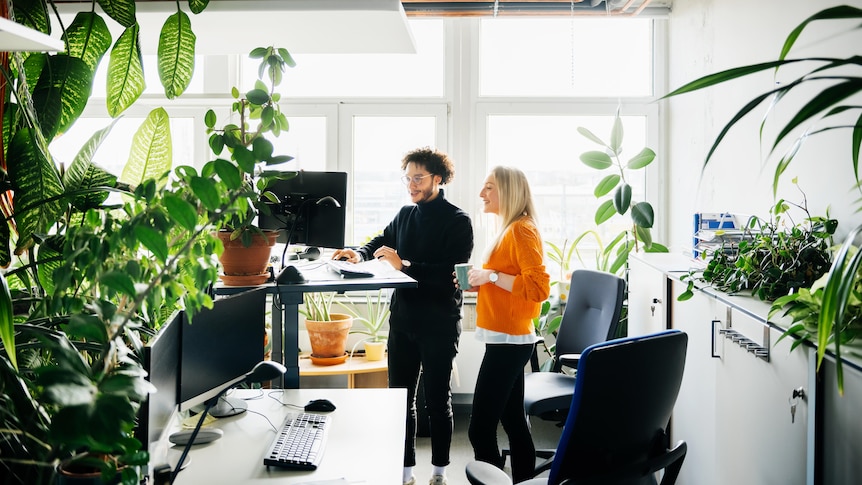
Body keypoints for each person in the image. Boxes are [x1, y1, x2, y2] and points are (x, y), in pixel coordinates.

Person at [332, 147, 474, 485]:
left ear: (438, 178)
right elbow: (382, 241)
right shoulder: (405, 214)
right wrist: (359, 252)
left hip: (439, 322)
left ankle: (439, 472)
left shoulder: (458, 221)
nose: (411, 184)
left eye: (418, 178)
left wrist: (405, 265)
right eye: (408, 177)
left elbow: (447, 275)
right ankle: (405, 471)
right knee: (400, 400)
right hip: (404, 320)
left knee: (438, 401)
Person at [464, 166, 550, 483]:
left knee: (479, 429)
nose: (481, 194)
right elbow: (509, 282)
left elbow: (538, 288)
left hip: (510, 341)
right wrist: (482, 281)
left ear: (508, 191)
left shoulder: (521, 230)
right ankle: (524, 480)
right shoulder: (509, 228)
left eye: (489, 187)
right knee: (513, 420)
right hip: (506, 337)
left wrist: (493, 276)